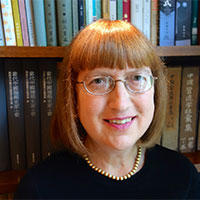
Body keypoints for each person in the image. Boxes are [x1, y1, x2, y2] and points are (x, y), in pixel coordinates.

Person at [14, 19, 200, 199]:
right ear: (73, 97)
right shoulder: (38, 189)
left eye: (136, 78)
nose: (121, 104)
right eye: (99, 81)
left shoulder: (183, 176)